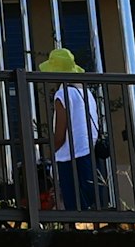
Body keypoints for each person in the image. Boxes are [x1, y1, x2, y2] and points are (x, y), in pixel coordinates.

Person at [41, 45, 106, 211]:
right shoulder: (86, 92)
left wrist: (50, 154)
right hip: (89, 153)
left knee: (72, 208)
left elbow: (60, 135)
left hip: (69, 157)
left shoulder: (61, 94)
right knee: (89, 205)